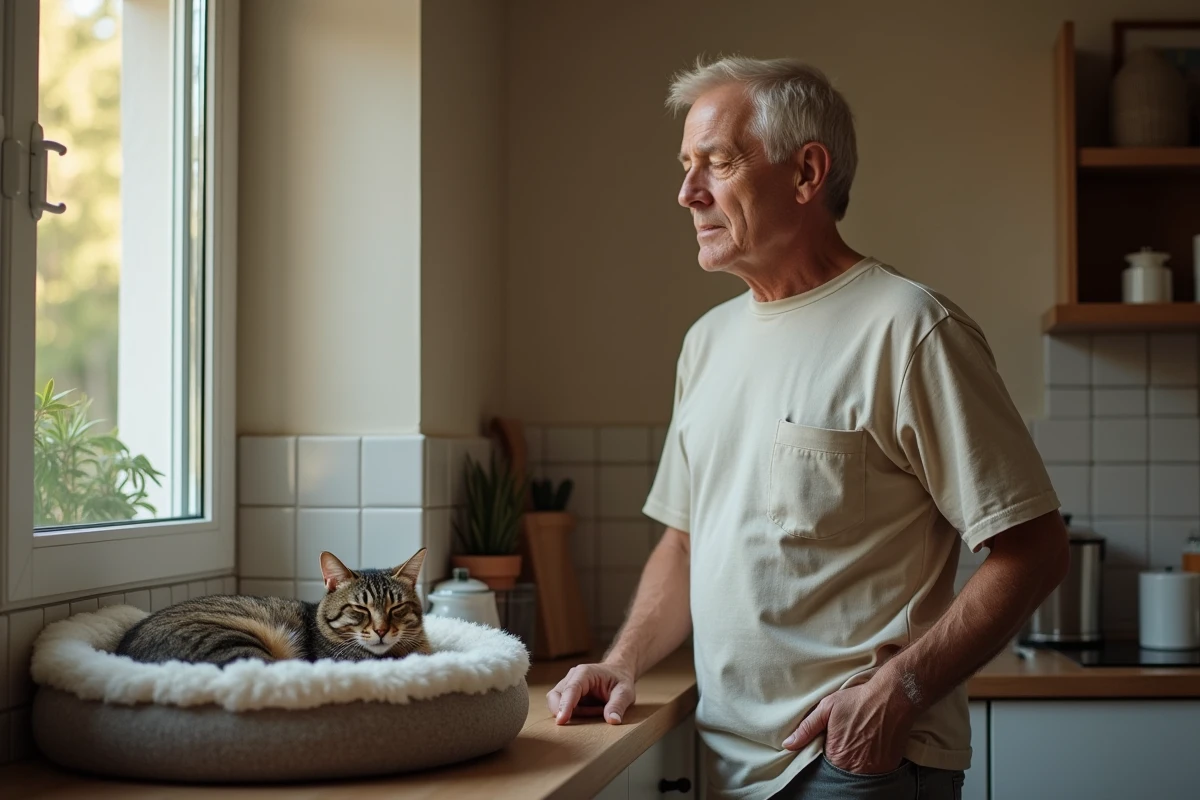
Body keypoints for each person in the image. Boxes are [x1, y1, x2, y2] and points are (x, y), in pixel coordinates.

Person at [546, 56, 1069, 800]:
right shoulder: (707, 341)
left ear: (806, 173)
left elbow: (1035, 549)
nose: (687, 193)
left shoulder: (910, 329)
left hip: (851, 764)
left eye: (717, 163)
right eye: (686, 166)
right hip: (722, 761)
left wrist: (897, 694)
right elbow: (686, 539)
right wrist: (623, 660)